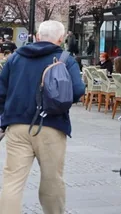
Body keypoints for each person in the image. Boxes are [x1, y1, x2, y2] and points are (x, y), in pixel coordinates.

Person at [0, 20, 86, 214]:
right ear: (61, 39)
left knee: (12, 181)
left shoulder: (16, 58)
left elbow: (1, 91)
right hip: (51, 125)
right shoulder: (65, 59)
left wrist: (4, 118)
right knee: (52, 180)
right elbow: (78, 89)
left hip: (17, 126)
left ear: (37, 37)